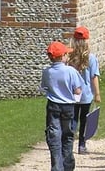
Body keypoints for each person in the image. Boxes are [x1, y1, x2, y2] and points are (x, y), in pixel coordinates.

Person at [40, 41, 84, 171]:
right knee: (68, 136)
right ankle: (68, 164)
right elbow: (78, 90)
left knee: (54, 137)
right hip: (68, 106)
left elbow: (43, 87)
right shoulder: (70, 71)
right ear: (63, 56)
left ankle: (57, 167)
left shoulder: (47, 71)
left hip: (53, 105)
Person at [67, 26, 101, 154]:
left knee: (73, 119)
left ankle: (69, 144)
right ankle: (82, 144)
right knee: (85, 119)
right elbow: (94, 77)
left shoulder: (70, 57)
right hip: (86, 94)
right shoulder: (91, 58)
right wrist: (97, 93)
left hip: (73, 94)